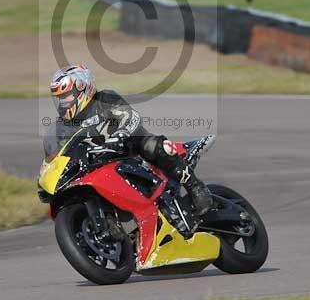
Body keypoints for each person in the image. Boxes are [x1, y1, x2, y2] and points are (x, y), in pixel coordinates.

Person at [50, 64, 213, 215]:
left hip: (128, 149)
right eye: (60, 98)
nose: (63, 102)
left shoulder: (105, 99)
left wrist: (121, 134)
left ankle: (195, 187)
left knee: (151, 144)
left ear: (83, 88)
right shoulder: (62, 126)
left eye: (66, 96)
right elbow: (59, 154)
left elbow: (131, 117)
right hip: (96, 165)